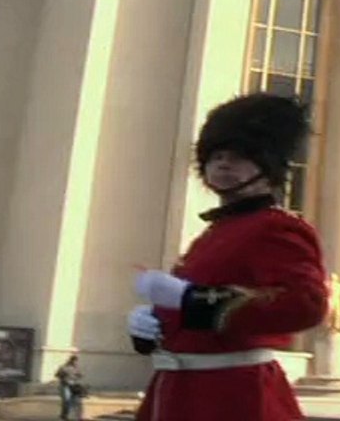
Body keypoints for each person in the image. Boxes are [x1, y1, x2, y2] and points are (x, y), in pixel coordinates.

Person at [127, 92, 329, 421]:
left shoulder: (277, 228)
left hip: (234, 396)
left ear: (268, 167)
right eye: (217, 155)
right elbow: (195, 318)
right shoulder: (216, 232)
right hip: (179, 392)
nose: (223, 163)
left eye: (240, 156)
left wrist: (192, 300)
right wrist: (153, 325)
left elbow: (305, 304)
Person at [53, 355, 85, 421]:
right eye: (73, 361)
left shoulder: (77, 368)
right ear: (70, 360)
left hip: (73, 386)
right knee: (66, 400)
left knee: (75, 401)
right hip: (65, 385)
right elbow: (57, 375)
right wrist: (64, 378)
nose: (75, 362)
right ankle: (64, 415)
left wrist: (76, 377)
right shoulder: (63, 367)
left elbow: (81, 375)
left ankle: (74, 415)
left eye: (76, 361)